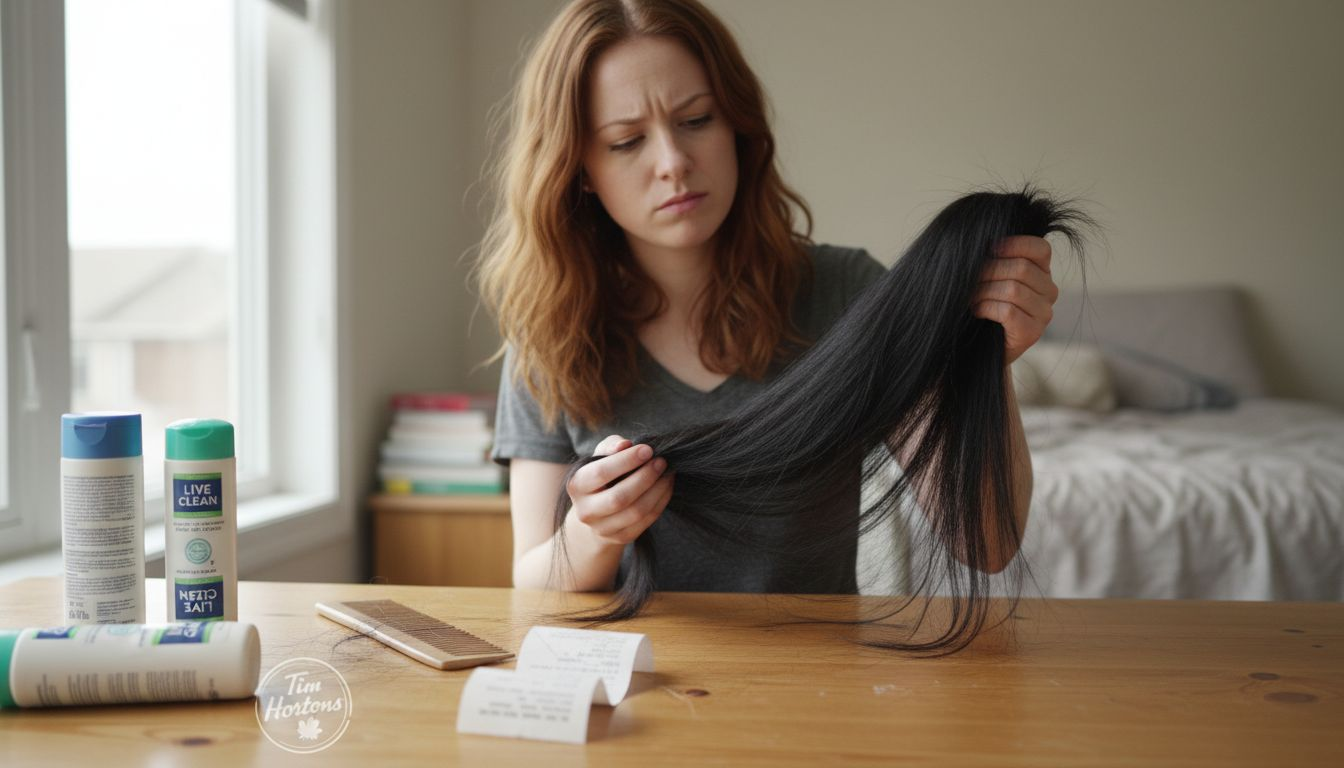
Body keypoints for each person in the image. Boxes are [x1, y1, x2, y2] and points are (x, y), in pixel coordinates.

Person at [477, 0, 1057, 594]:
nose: (673, 163)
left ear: (738, 126)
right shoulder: (550, 335)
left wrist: (986, 358)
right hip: (633, 678)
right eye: (627, 142)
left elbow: (987, 545)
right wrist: (594, 533)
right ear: (578, 170)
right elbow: (533, 582)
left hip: (815, 679)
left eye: (697, 120)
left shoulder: (844, 293)